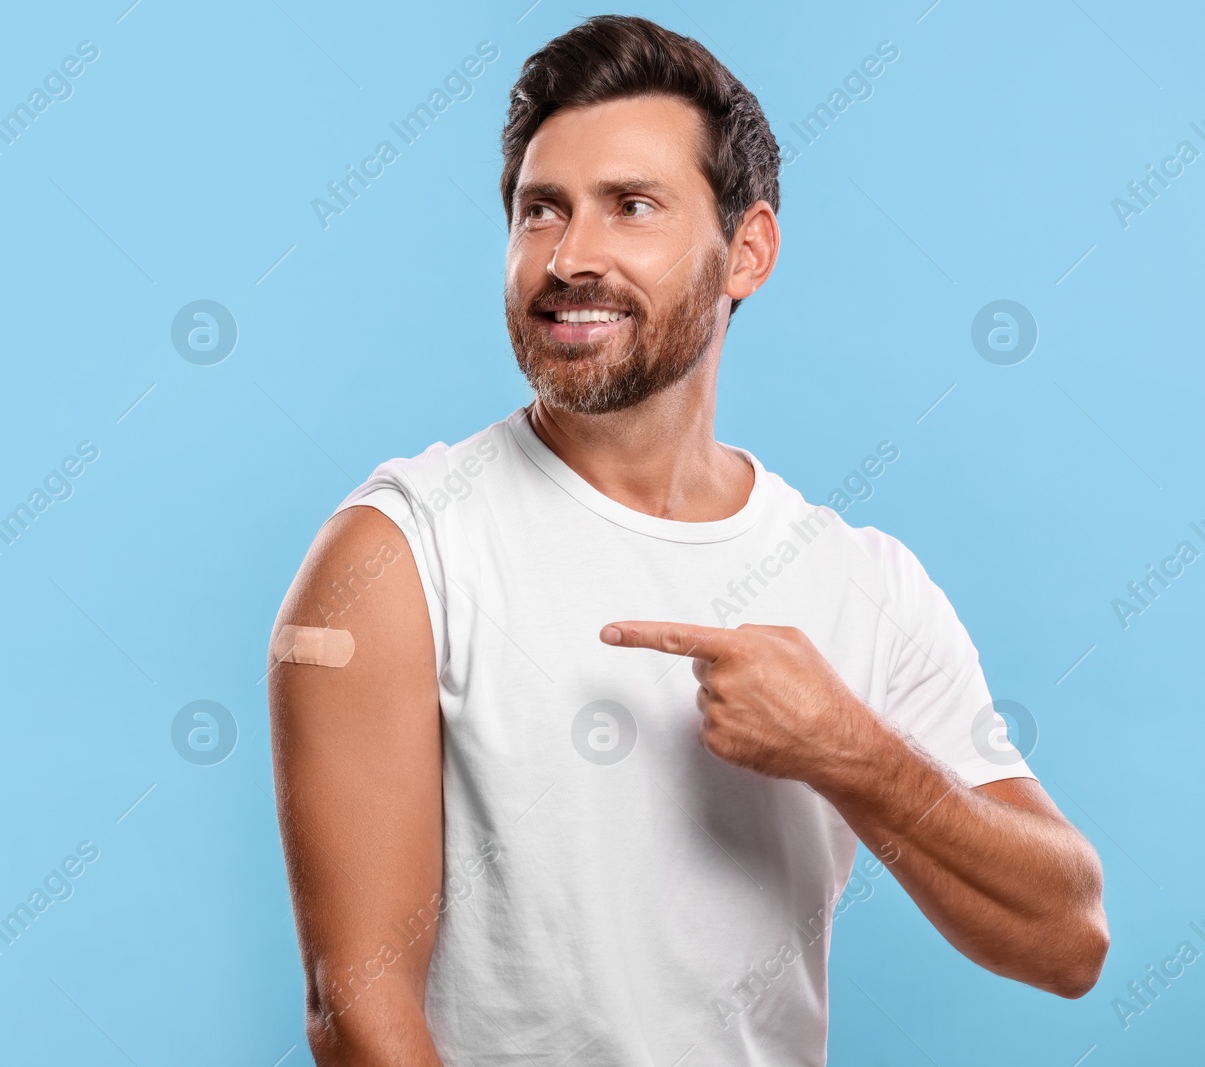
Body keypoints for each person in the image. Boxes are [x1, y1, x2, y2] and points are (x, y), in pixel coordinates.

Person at [267, 15, 1108, 1066]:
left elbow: (1067, 936)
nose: (571, 257)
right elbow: (356, 1016)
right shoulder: (395, 555)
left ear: (745, 250)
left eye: (631, 207)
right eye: (541, 212)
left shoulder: (862, 583)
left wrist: (852, 753)